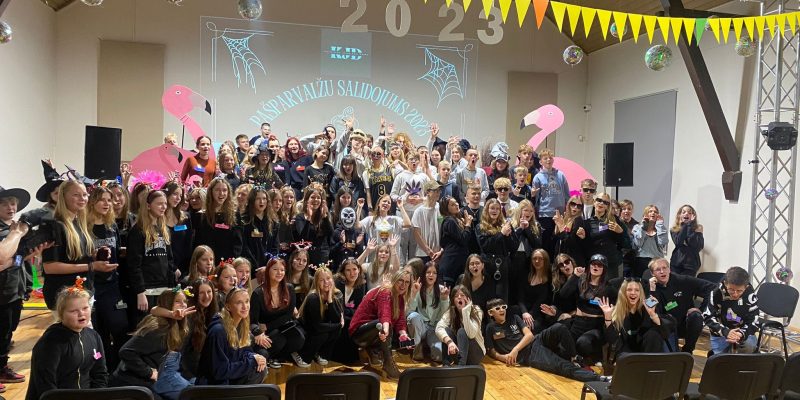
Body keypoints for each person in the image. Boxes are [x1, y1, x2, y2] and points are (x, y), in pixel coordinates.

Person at [484, 297, 603, 382]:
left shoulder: (514, 318)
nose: (502, 310)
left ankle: (574, 357)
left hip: (535, 340)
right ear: (490, 313)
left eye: (503, 307)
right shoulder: (490, 328)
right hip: (528, 355)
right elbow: (491, 351)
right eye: (497, 308)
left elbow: (529, 335)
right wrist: (504, 357)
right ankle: (599, 379)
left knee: (559, 327)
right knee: (561, 365)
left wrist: (515, 349)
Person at [26, 281, 108, 400]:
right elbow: (45, 383)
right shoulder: (51, 342)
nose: (81, 314)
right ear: (61, 314)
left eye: (85, 308)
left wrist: (98, 396)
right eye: (74, 311)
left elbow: (100, 373)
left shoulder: (94, 336)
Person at [43, 181, 117, 310]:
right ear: (63, 197)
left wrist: (95, 254)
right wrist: (91, 266)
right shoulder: (54, 226)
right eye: (76, 195)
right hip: (64, 297)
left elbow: (76, 257)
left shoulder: (79, 223)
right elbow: (50, 267)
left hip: (84, 292)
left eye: (84, 194)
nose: (82, 199)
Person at [110, 288, 191, 391]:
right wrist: (149, 372)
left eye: (184, 301)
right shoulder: (158, 329)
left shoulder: (175, 325)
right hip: (130, 383)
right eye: (177, 301)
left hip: (148, 381)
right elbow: (125, 351)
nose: (183, 305)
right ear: (167, 303)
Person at [86, 186, 128, 371]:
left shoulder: (112, 226)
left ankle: (118, 368)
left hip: (112, 285)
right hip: (92, 286)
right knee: (98, 332)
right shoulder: (84, 227)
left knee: (120, 326)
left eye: (109, 200)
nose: (106, 203)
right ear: (92, 201)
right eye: (102, 199)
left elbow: (117, 252)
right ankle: (102, 370)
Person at [0, 186, 36, 388]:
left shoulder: (17, 230)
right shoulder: (11, 232)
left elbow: (17, 259)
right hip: (2, 291)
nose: (10, 207)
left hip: (15, 290)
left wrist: (29, 255)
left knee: (7, 332)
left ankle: (2, 367)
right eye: (4, 204)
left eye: (13, 203)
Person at [349, 269, 413, 378]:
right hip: (358, 332)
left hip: (375, 329)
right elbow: (385, 314)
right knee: (385, 326)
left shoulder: (400, 298)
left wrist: (403, 334)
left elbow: (400, 321)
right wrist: (385, 330)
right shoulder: (385, 292)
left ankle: (373, 351)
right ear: (394, 280)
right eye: (400, 280)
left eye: (407, 282)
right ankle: (388, 364)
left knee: (395, 333)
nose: (403, 285)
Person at [198, 288, 267, 384]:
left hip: (227, 377)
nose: (245, 306)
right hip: (214, 384)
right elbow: (219, 371)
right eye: (239, 303)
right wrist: (251, 361)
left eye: (247, 301)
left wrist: (254, 357)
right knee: (255, 370)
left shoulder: (241, 324)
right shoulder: (218, 331)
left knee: (260, 369)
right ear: (228, 306)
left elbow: (244, 352)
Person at [646, 258, 716, 354]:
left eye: (664, 268)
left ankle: (688, 350)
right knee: (672, 357)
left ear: (669, 269)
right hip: (664, 327)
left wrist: (702, 309)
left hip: (685, 324)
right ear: (652, 273)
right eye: (658, 269)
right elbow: (651, 310)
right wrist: (652, 291)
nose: (662, 271)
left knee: (696, 316)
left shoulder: (683, 280)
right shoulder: (649, 287)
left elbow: (713, 289)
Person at [558, 254, 616, 365]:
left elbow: (615, 309)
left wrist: (608, 314)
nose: (596, 267)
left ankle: (591, 360)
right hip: (578, 323)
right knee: (562, 348)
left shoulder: (609, 289)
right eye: (593, 264)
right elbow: (563, 294)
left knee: (583, 343)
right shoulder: (581, 281)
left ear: (604, 269)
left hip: (595, 325)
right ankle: (576, 361)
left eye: (599, 265)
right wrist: (575, 276)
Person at [250, 258, 308, 369]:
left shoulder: (289, 288)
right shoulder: (258, 293)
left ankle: (279, 358)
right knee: (278, 340)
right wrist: (258, 332)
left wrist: (268, 325)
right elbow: (252, 321)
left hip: (282, 325)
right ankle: (269, 358)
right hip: (266, 331)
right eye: (275, 269)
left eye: (282, 270)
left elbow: (289, 314)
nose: (279, 273)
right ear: (268, 270)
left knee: (299, 339)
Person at [128, 190, 176, 316]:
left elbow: (169, 260)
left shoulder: (164, 229)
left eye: (165, 203)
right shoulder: (137, 231)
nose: (163, 207)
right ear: (148, 206)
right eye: (159, 204)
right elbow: (134, 264)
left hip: (164, 287)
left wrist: (172, 286)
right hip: (146, 289)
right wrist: (140, 292)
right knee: (147, 324)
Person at [600, 279, 672, 360]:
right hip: (626, 354)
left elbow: (665, 335)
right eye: (629, 290)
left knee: (653, 334)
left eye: (637, 290)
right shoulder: (617, 311)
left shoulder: (648, 308)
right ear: (623, 293)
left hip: (647, 354)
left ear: (640, 293)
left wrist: (653, 315)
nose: (633, 293)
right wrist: (608, 318)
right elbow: (612, 340)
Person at [702, 266, 759, 355]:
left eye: (739, 291)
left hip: (743, 332)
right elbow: (708, 317)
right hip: (721, 332)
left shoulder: (750, 295)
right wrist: (725, 332)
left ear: (746, 287)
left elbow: (754, 320)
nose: (735, 294)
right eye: (731, 290)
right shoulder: (716, 292)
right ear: (725, 283)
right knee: (722, 360)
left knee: (748, 349)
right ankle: (717, 355)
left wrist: (741, 333)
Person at [298, 266, 343, 366]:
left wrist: (330, 300)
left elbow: (336, 319)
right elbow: (317, 326)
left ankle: (321, 354)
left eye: (328, 278)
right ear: (316, 282)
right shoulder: (313, 297)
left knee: (336, 330)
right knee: (325, 333)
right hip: (309, 330)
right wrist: (339, 325)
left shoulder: (337, 294)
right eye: (322, 280)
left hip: (322, 327)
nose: (326, 282)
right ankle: (303, 355)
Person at [477, 198, 519, 305]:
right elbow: (485, 246)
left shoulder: (506, 225)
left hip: (502, 265)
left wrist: (507, 236)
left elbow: (514, 247)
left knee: (502, 297)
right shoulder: (480, 226)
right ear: (487, 210)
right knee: (488, 296)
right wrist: (501, 234)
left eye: (497, 208)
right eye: (492, 208)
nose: (494, 211)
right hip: (487, 265)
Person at [406, 261, 450, 362]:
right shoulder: (418, 287)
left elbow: (445, 315)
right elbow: (409, 312)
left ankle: (427, 346)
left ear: (437, 276)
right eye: (428, 272)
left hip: (434, 328)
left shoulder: (442, 290)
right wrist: (414, 294)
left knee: (439, 357)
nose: (431, 275)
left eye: (434, 273)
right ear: (424, 274)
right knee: (413, 316)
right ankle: (417, 345)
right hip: (421, 327)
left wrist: (444, 299)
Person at [193, 178, 243, 261]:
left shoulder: (234, 215)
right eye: (217, 190)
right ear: (211, 192)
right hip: (207, 262)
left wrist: (231, 261)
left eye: (224, 190)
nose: (221, 193)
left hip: (228, 262)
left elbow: (238, 242)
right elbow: (198, 243)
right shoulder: (201, 215)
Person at [532, 149, 569, 258]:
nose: (548, 160)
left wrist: (567, 212)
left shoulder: (561, 175)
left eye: (550, 158)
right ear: (540, 162)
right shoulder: (537, 177)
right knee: (546, 243)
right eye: (545, 158)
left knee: (558, 243)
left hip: (560, 215)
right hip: (545, 215)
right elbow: (536, 199)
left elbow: (567, 195)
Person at [436, 285, 485, 366]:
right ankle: (446, 365)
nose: (459, 297)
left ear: (468, 298)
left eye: (462, 295)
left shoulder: (476, 310)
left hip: (475, 354)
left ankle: (461, 367)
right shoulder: (451, 311)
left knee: (462, 331)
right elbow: (438, 328)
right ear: (453, 300)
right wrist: (449, 342)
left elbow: (471, 334)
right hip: (459, 352)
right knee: (446, 331)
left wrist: (465, 311)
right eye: (456, 296)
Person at [331, 258, 367, 364]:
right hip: (334, 312)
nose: (352, 273)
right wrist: (349, 311)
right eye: (348, 270)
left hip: (349, 315)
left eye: (354, 269)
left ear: (359, 270)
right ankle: (340, 357)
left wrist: (349, 311)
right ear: (343, 271)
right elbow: (337, 305)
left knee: (355, 322)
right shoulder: (337, 282)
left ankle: (352, 357)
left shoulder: (361, 284)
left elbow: (358, 307)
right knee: (346, 322)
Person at [587, 192, 626, 279]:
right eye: (599, 200)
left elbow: (623, 243)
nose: (601, 203)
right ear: (594, 202)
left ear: (608, 206)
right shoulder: (588, 221)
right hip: (595, 262)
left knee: (611, 286)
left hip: (610, 263)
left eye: (605, 202)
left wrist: (620, 232)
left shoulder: (614, 220)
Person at [438, 196, 474, 287]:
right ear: (446, 208)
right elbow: (463, 240)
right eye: (452, 204)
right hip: (451, 264)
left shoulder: (457, 220)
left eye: (456, 202)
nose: (457, 205)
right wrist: (468, 225)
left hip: (457, 263)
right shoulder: (449, 221)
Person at [293, 187, 333, 266]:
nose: (316, 200)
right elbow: (303, 237)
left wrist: (325, 217)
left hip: (322, 255)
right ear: (307, 200)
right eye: (312, 197)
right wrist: (308, 218)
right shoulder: (300, 217)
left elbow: (330, 234)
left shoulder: (324, 216)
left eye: (318, 198)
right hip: (307, 255)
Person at [517, 249, 553, 334]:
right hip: (523, 311)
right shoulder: (526, 275)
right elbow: (520, 298)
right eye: (534, 258)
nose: (537, 261)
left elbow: (541, 301)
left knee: (531, 327)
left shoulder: (550, 278)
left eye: (540, 259)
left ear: (545, 260)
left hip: (538, 313)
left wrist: (530, 315)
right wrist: (525, 312)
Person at [162, 182, 193, 277]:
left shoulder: (185, 217)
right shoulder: (158, 218)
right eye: (175, 194)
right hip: (163, 268)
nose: (178, 198)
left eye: (180, 195)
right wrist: (172, 267)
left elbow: (188, 244)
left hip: (183, 268)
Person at [631, 205, 668, 278]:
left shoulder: (661, 228)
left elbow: (663, 243)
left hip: (657, 260)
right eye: (650, 211)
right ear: (645, 214)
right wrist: (643, 227)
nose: (653, 213)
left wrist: (660, 225)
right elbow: (638, 244)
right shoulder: (637, 227)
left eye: (655, 212)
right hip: (641, 260)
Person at [412, 181, 442, 264]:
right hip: (423, 253)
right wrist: (428, 250)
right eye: (435, 191)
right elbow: (416, 234)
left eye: (439, 191)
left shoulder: (440, 208)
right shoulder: (419, 211)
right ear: (427, 192)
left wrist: (441, 250)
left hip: (438, 253)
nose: (438, 193)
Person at [670, 205, 704, 276]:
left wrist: (689, 225)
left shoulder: (698, 228)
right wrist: (685, 225)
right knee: (674, 282)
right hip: (676, 262)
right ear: (679, 215)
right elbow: (678, 242)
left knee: (687, 283)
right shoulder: (674, 229)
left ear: (693, 216)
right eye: (684, 212)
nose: (686, 214)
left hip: (691, 264)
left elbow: (694, 245)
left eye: (689, 212)